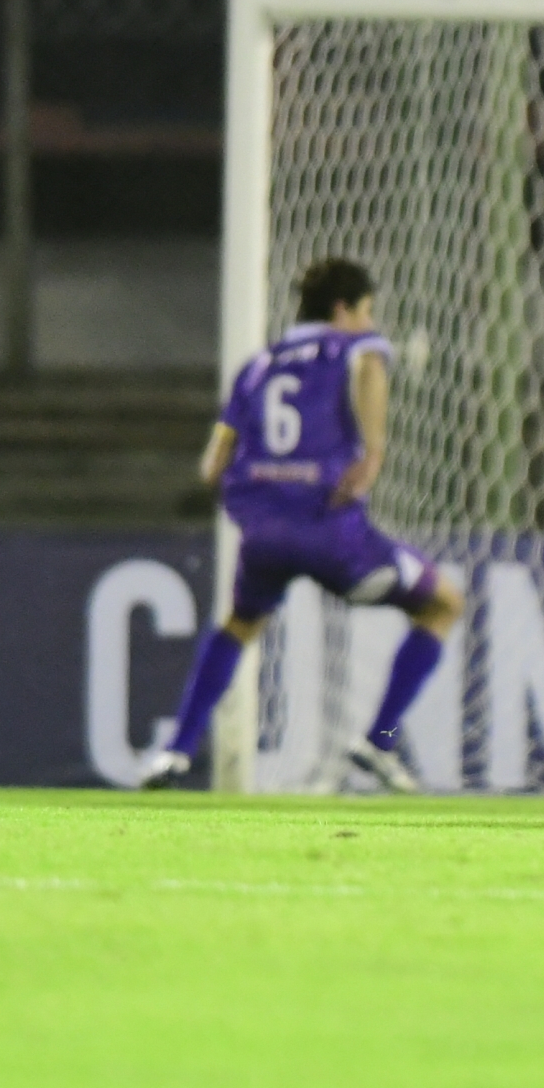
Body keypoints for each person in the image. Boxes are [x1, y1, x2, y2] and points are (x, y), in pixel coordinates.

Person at [143, 257, 466, 794]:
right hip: (330, 532)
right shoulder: (354, 347)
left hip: (264, 534)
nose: (368, 322)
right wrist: (373, 452)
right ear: (342, 309)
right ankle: (380, 740)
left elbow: (211, 467)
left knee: (240, 624)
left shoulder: (259, 364)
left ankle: (175, 751)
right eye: (364, 311)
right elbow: (369, 362)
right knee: (444, 602)